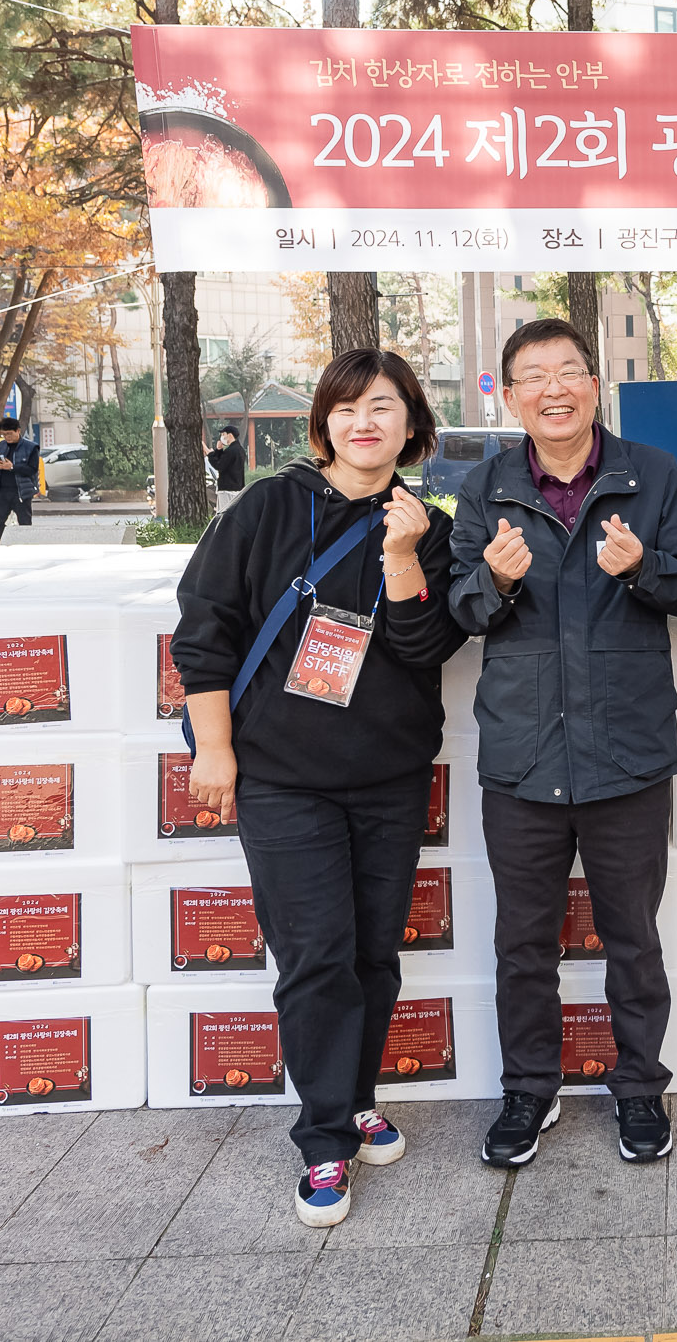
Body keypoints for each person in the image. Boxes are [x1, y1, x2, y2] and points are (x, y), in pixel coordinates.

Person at [173, 348, 467, 1228]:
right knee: (315, 957)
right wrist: (214, 749)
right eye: (346, 408)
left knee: (374, 953)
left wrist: (407, 553)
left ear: (412, 425)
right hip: (281, 778)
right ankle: (327, 1139)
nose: (363, 422)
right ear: (324, 423)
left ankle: (356, 1088)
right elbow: (205, 629)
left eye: (383, 407)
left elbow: (427, 649)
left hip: (388, 775)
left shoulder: (430, 525)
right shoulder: (268, 507)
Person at [447, 318, 677, 1168]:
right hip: (521, 755)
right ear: (511, 393)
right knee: (523, 941)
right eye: (534, 375)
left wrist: (642, 569)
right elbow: (460, 609)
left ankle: (639, 1091)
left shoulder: (653, 475)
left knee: (634, 936)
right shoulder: (483, 486)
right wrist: (498, 579)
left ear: (595, 384)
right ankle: (529, 1090)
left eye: (568, 371)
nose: (553, 388)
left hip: (626, 751)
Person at [0, 416, 40, 536]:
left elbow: (32, 469)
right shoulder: (1, 446)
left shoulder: (31, 447)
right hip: (2, 491)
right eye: (4, 434)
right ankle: (6, 540)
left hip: (21, 492)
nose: (7, 437)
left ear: (18, 430)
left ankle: (24, 544)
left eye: (10, 434)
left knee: (25, 523)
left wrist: (12, 467)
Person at [211, 426, 248, 507]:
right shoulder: (240, 450)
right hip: (238, 488)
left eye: (223, 434)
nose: (222, 437)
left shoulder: (230, 451)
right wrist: (219, 450)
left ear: (230, 435)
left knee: (224, 513)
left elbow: (219, 465)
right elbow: (225, 463)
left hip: (227, 489)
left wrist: (210, 454)